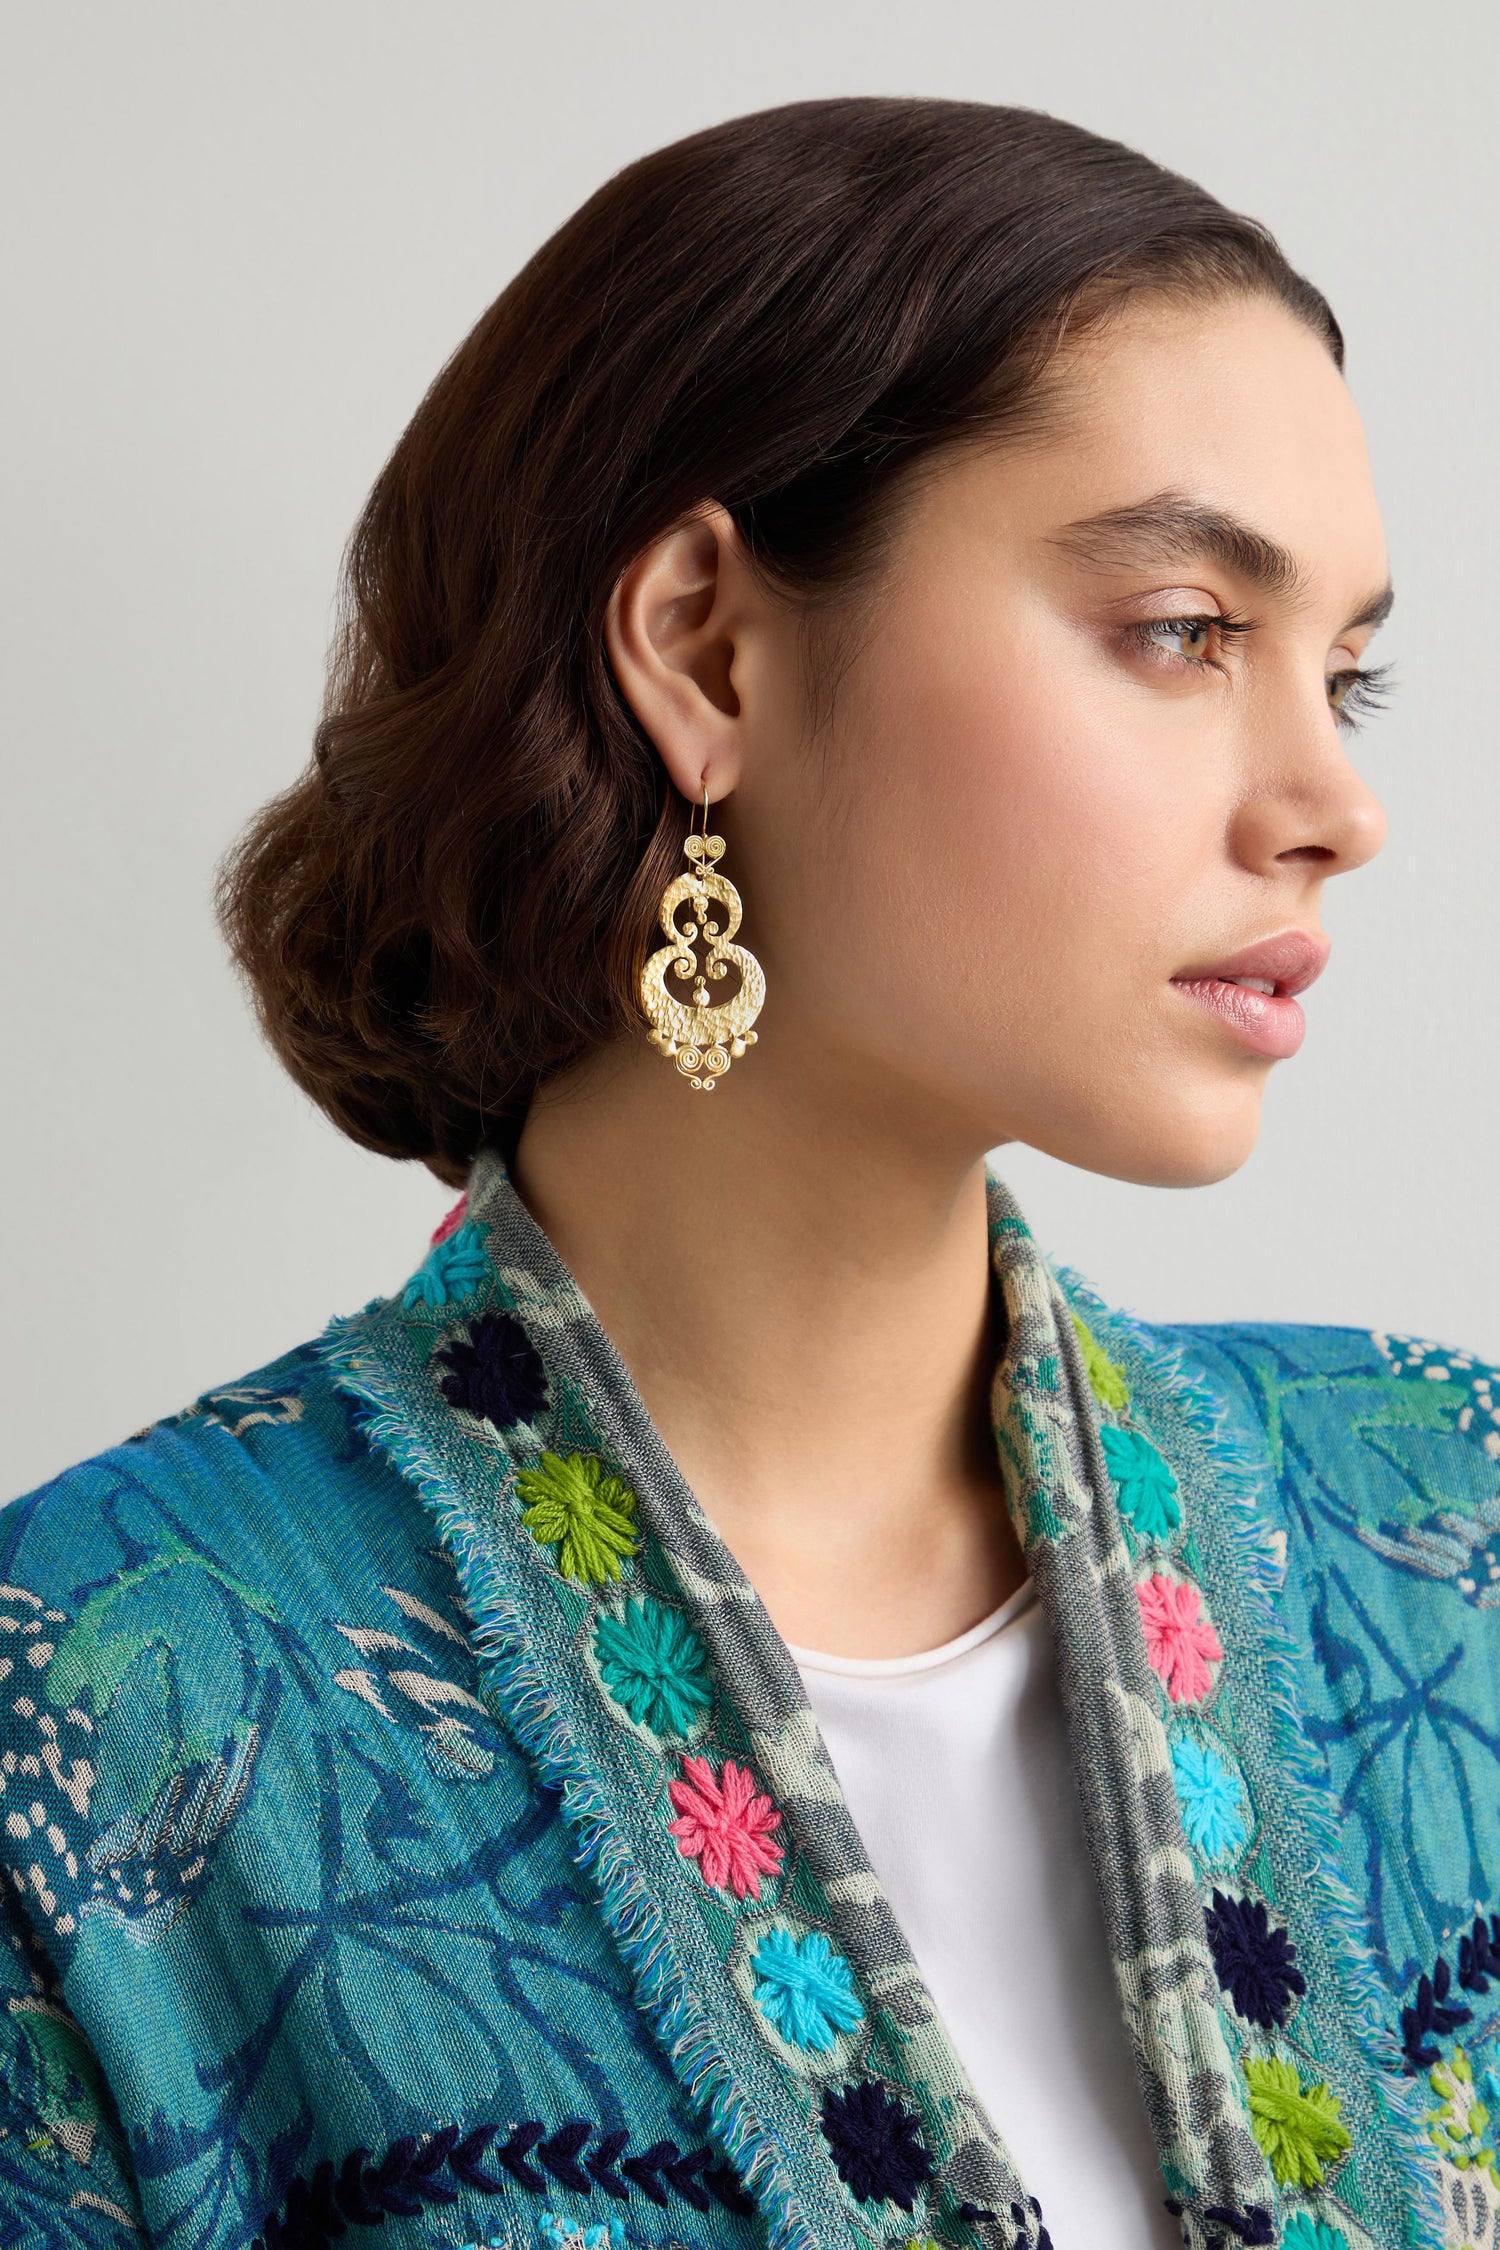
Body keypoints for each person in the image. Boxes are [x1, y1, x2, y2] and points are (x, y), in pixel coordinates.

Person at [2, 94, 1492, 2250]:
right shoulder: (100, 1721)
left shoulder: (1447, 1533)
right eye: (1183, 629)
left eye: (1349, 672)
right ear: (708, 643)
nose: (1333, 799)